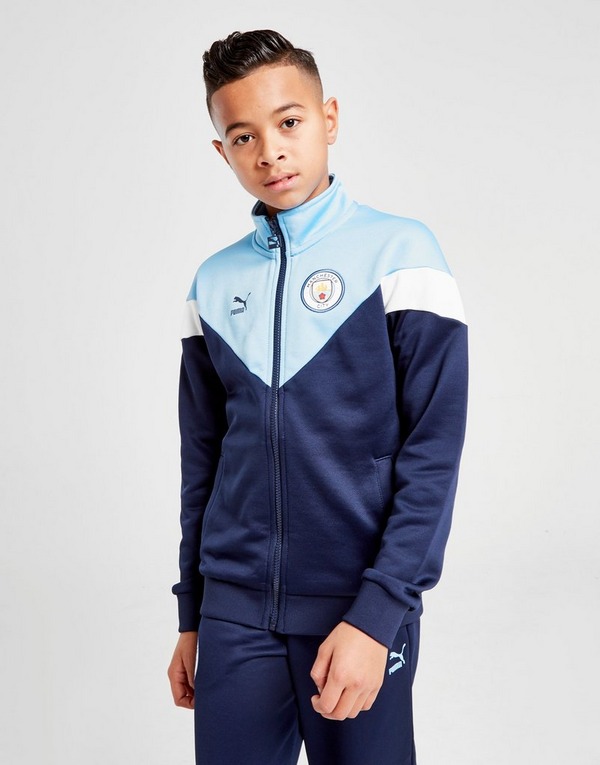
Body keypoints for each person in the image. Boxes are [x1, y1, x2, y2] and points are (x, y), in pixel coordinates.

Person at [167, 29, 468, 765]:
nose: (269, 151)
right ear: (222, 152)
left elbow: (433, 454)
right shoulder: (213, 283)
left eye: (289, 122)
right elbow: (203, 460)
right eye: (244, 136)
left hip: (357, 608)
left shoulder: (402, 256)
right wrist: (193, 613)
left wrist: (379, 613)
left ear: (329, 119)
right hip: (234, 613)